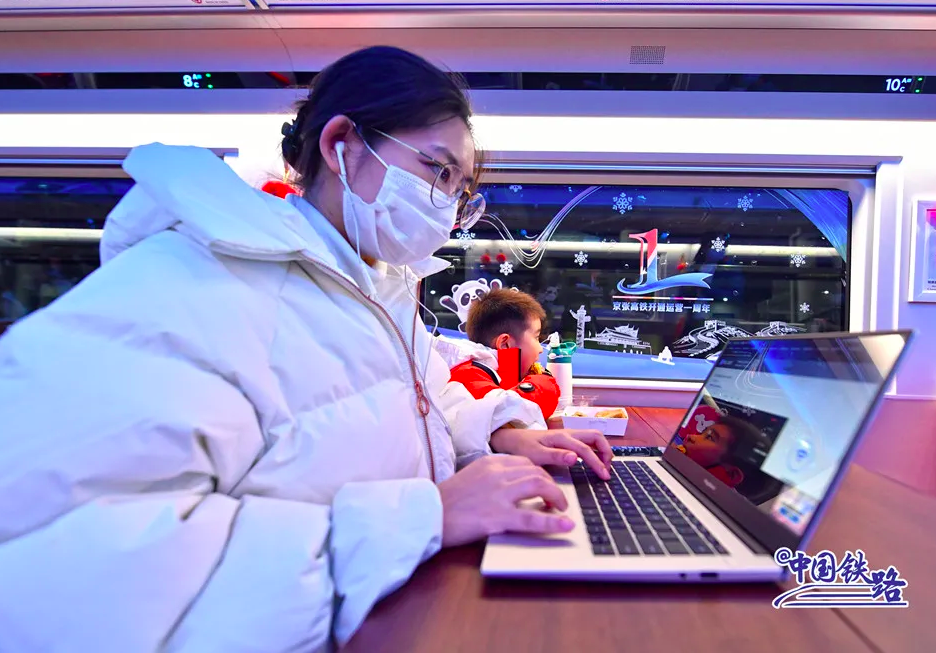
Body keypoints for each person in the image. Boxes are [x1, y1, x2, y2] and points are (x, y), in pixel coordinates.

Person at [0, 46, 612, 652]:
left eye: (460, 188)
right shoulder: (187, 288)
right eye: (437, 169)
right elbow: (72, 572)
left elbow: (417, 397)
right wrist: (421, 519)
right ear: (341, 144)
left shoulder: (371, 289)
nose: (448, 207)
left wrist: (500, 431)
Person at [440, 288, 561, 421]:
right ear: (505, 344)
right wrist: (544, 380)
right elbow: (510, 414)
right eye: (536, 337)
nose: (540, 349)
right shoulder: (467, 375)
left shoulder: (502, 373)